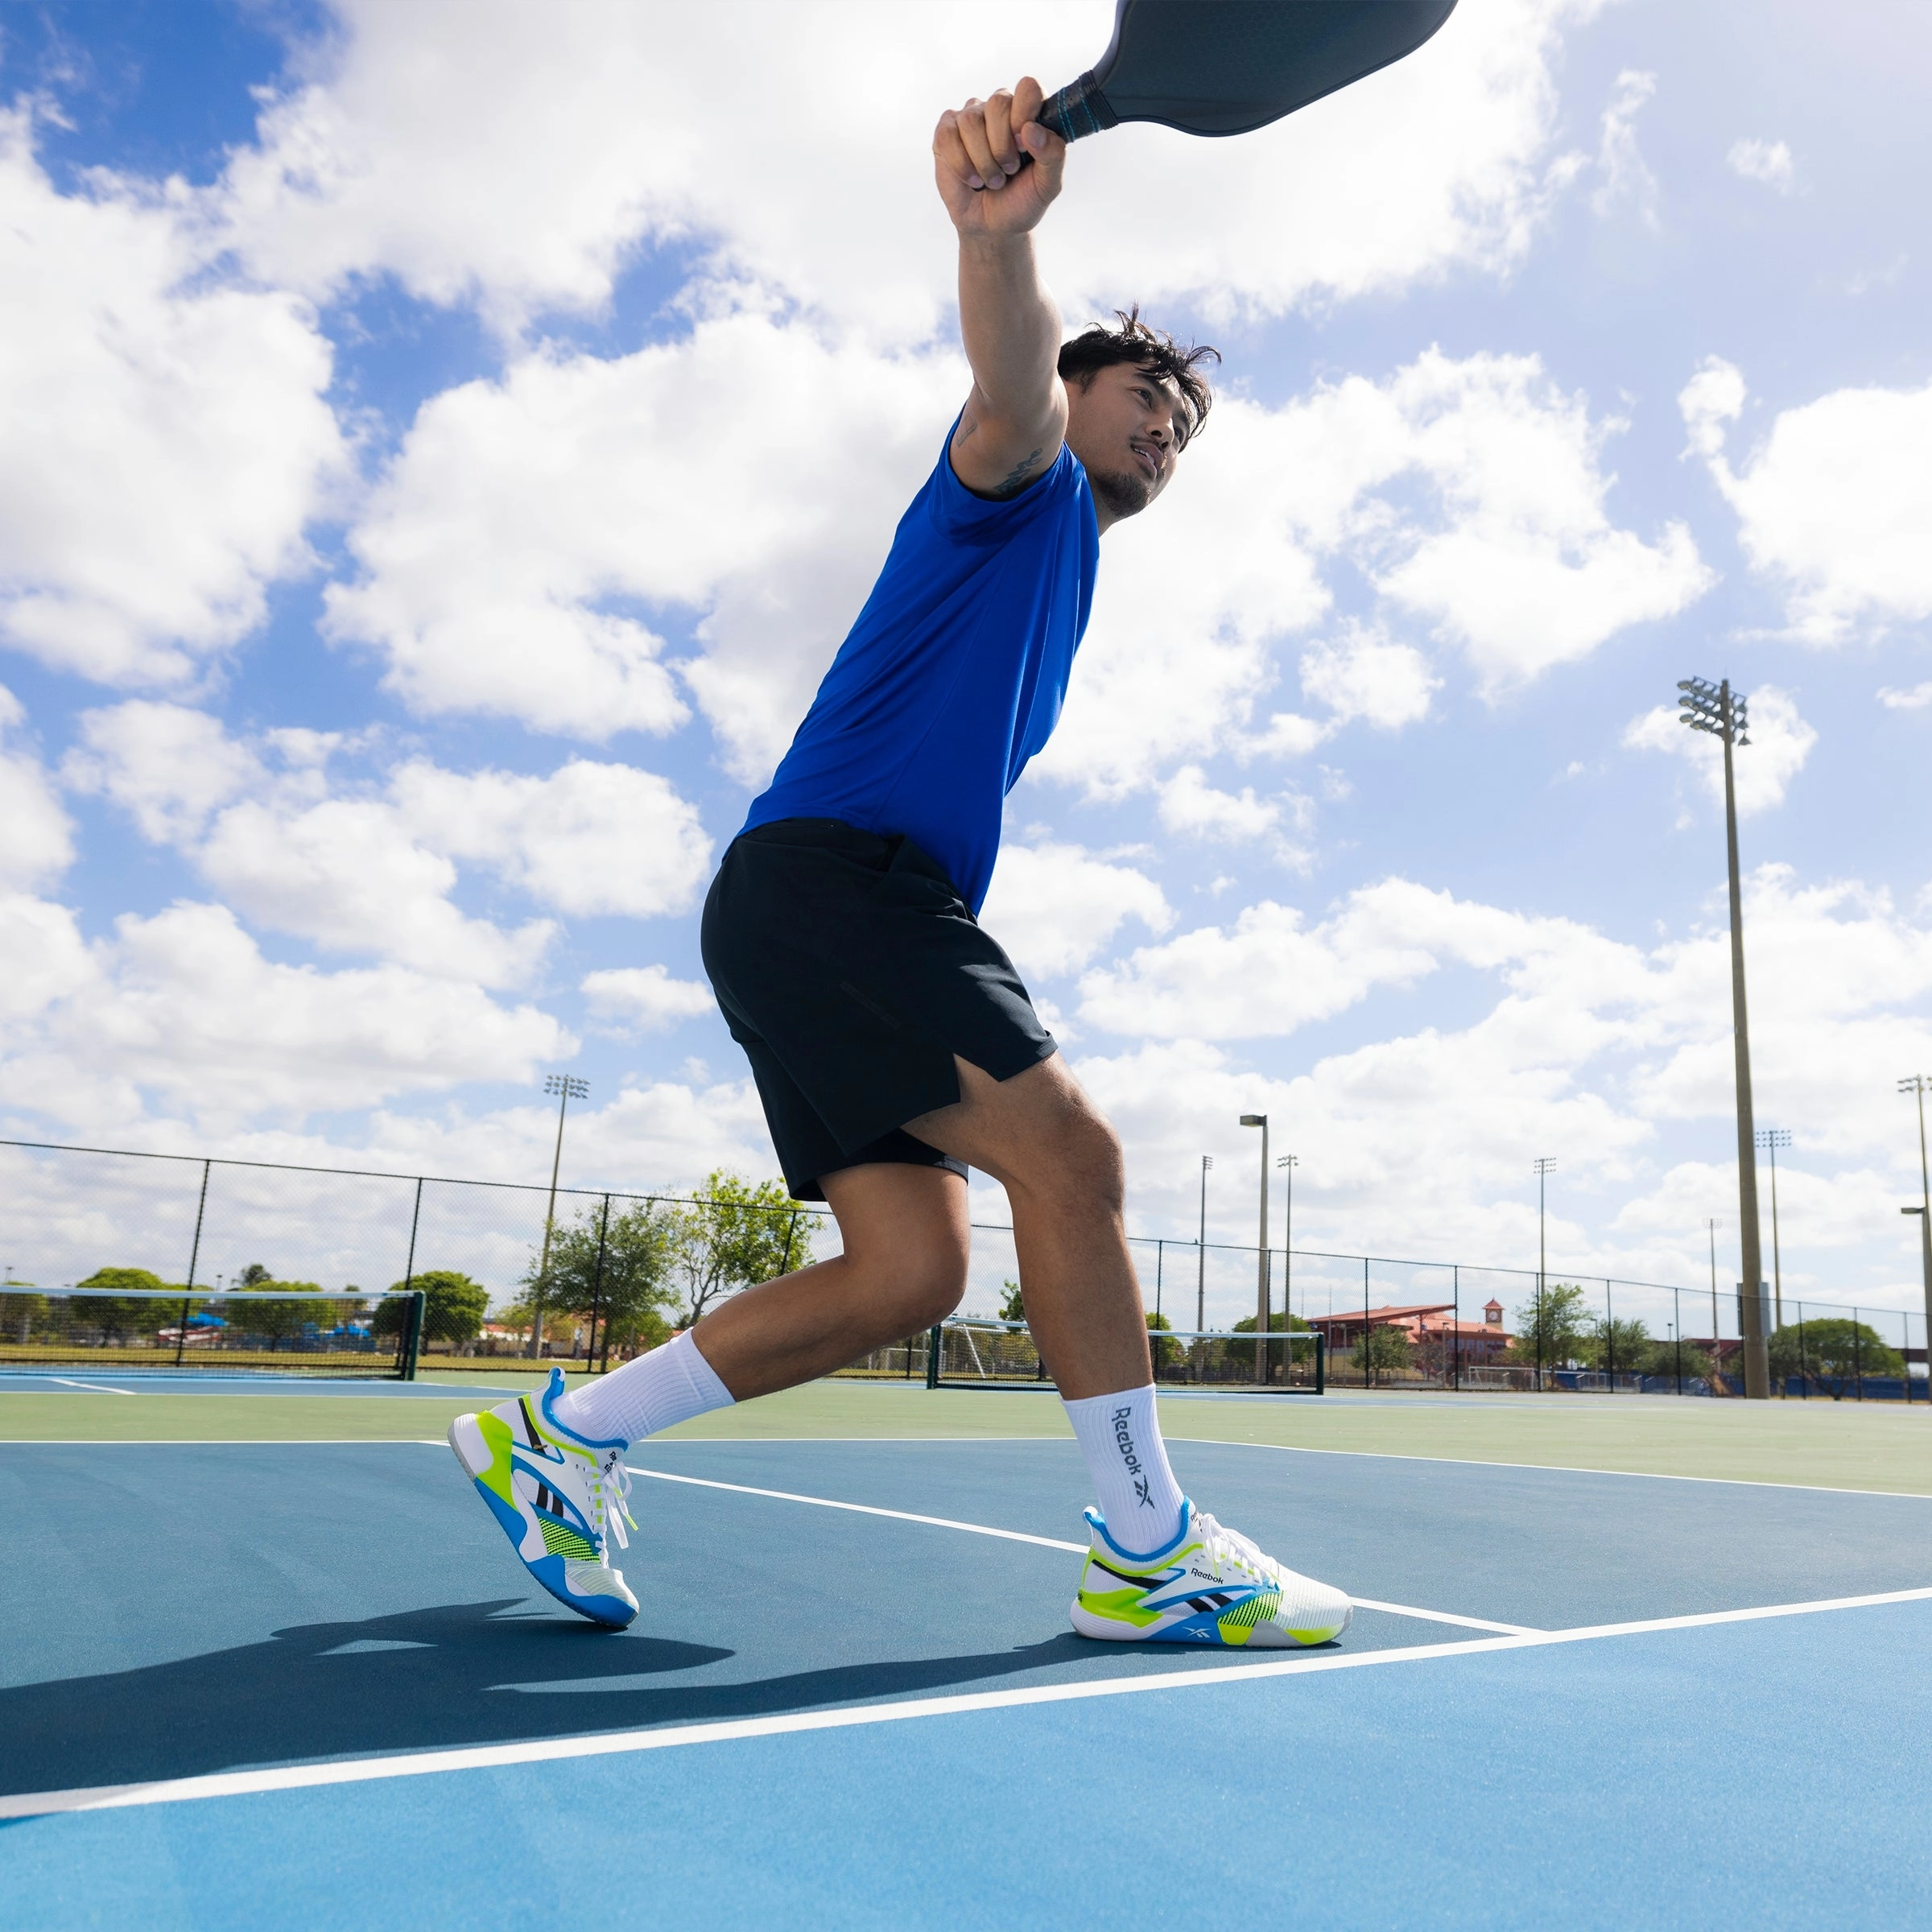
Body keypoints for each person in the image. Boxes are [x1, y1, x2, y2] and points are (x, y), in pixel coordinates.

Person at [450, 77, 1352, 1650]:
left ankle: (564, 1438)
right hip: (839, 887)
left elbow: (1036, 394)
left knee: (910, 1273)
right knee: (1072, 1160)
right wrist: (998, 243)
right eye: (1148, 392)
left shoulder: (1061, 561)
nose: (1169, 426)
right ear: (1082, 393)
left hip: (807, 904)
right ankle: (1149, 1548)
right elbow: (1008, 385)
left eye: (1188, 423)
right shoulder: (1019, 486)